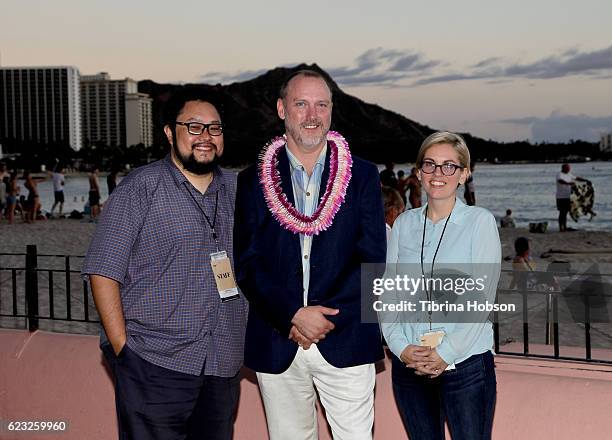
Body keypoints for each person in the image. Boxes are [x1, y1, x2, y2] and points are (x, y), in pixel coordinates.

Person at [82, 89, 248, 440]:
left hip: (223, 360)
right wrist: (123, 349)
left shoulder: (239, 191)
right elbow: (102, 270)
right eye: (194, 127)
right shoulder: (140, 188)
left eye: (215, 128)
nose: (206, 137)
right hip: (155, 361)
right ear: (170, 133)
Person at [234, 70, 386, 440]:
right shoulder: (252, 179)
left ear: (332, 111)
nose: (312, 115)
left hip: (346, 337)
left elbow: (372, 259)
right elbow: (248, 263)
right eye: (302, 104)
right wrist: (293, 315)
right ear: (282, 109)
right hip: (278, 338)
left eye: (321, 105)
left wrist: (323, 319)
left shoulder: (363, 176)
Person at [381, 131, 501, 440]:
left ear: (464, 174)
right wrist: (400, 348)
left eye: (450, 166)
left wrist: (445, 352)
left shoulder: (480, 222)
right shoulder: (404, 224)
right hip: (409, 364)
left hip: (466, 366)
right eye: (430, 165)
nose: (438, 173)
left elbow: (482, 301)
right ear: (418, 172)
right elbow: (389, 292)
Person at [556, 163, 589, 232]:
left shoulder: (569, 174)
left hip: (568, 196)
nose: (569, 169)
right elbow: (560, 181)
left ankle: (564, 227)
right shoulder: (559, 174)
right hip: (561, 197)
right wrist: (568, 183)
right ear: (563, 168)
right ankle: (560, 227)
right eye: (567, 168)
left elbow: (576, 178)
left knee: (566, 212)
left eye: (569, 168)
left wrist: (585, 180)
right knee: (562, 212)